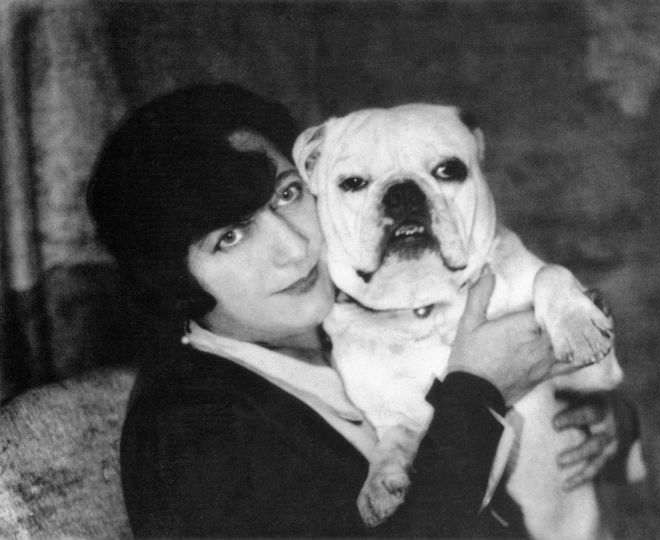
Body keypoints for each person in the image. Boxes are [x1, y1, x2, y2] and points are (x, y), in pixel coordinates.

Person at [86, 82, 630, 538]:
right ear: (171, 276)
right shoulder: (188, 435)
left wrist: (599, 421)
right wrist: (481, 394)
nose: (294, 248)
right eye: (230, 237)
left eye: (288, 194)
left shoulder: (359, 311)